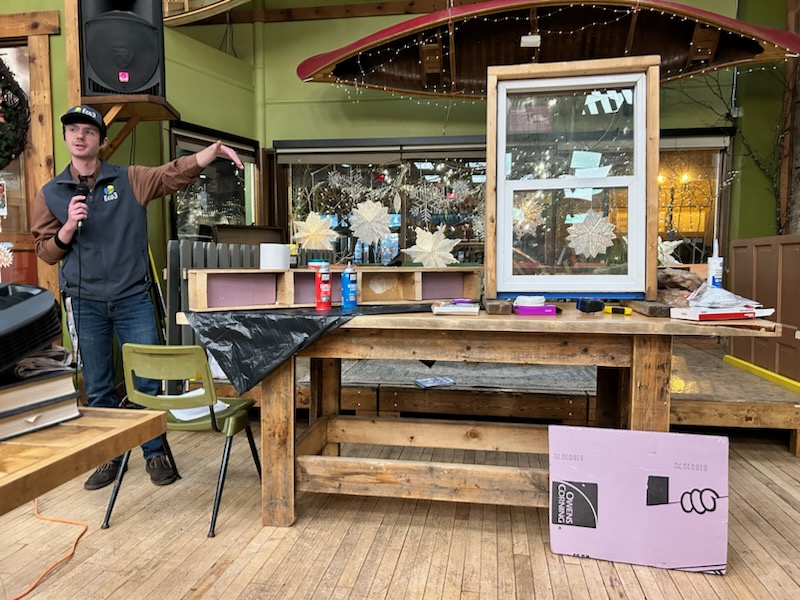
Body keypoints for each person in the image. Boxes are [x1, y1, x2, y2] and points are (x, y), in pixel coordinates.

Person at [31, 104, 243, 490]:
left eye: (89, 131)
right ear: (65, 138)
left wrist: (208, 154)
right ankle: (109, 455)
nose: (80, 136)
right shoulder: (50, 194)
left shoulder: (130, 180)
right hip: (84, 301)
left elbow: (171, 174)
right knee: (96, 385)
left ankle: (154, 451)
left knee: (146, 379)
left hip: (132, 298)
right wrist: (67, 229)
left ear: (102, 141)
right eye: (74, 130)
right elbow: (45, 251)